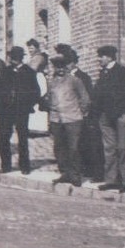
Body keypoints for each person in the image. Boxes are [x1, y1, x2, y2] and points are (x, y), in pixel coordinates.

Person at [92, 45, 125, 191]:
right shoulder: (103, 73)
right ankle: (111, 179)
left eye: (101, 56)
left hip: (119, 116)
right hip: (105, 117)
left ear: (109, 57)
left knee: (123, 147)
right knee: (109, 148)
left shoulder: (123, 72)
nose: (99, 59)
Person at [45, 49, 91, 184]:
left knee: (74, 148)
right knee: (59, 148)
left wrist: (79, 113)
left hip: (73, 119)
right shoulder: (52, 82)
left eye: (62, 66)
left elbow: (85, 99)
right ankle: (64, 173)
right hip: (56, 119)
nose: (60, 69)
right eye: (57, 66)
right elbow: (49, 99)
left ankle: (75, 175)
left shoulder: (75, 81)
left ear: (66, 66)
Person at [0, 46, 42, 174]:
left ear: (21, 58)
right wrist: (0, 105)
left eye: (16, 58)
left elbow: (36, 92)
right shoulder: (4, 72)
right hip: (6, 110)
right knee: (4, 137)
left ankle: (24, 166)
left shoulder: (29, 72)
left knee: (22, 138)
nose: (13, 60)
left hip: (21, 110)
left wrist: (28, 105)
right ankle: (6, 165)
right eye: (12, 58)